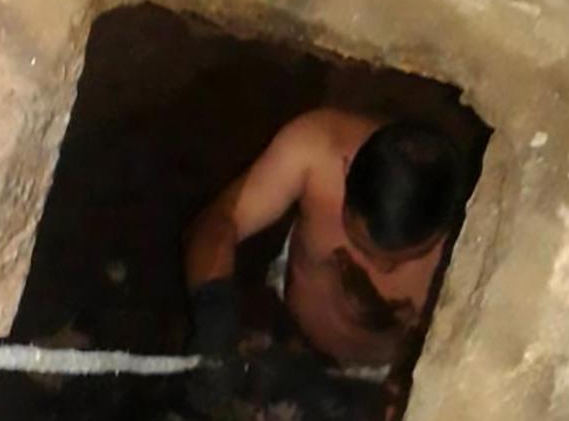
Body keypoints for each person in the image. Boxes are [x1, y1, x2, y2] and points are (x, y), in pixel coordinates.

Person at [185, 108, 464, 380]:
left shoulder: (467, 252)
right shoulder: (316, 150)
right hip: (282, 313)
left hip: (376, 375)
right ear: (346, 173)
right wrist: (214, 316)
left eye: (410, 256)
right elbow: (222, 219)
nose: (382, 267)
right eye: (362, 246)